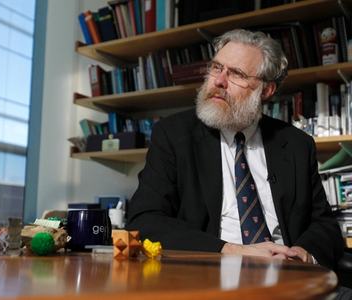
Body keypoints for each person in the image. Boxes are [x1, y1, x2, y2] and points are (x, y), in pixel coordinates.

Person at [126, 29, 344, 270]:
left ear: (267, 90)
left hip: (288, 275)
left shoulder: (297, 144)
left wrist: (303, 255)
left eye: (237, 74)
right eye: (217, 67)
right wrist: (231, 251)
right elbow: (145, 221)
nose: (219, 81)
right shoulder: (173, 134)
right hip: (209, 274)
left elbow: (324, 225)